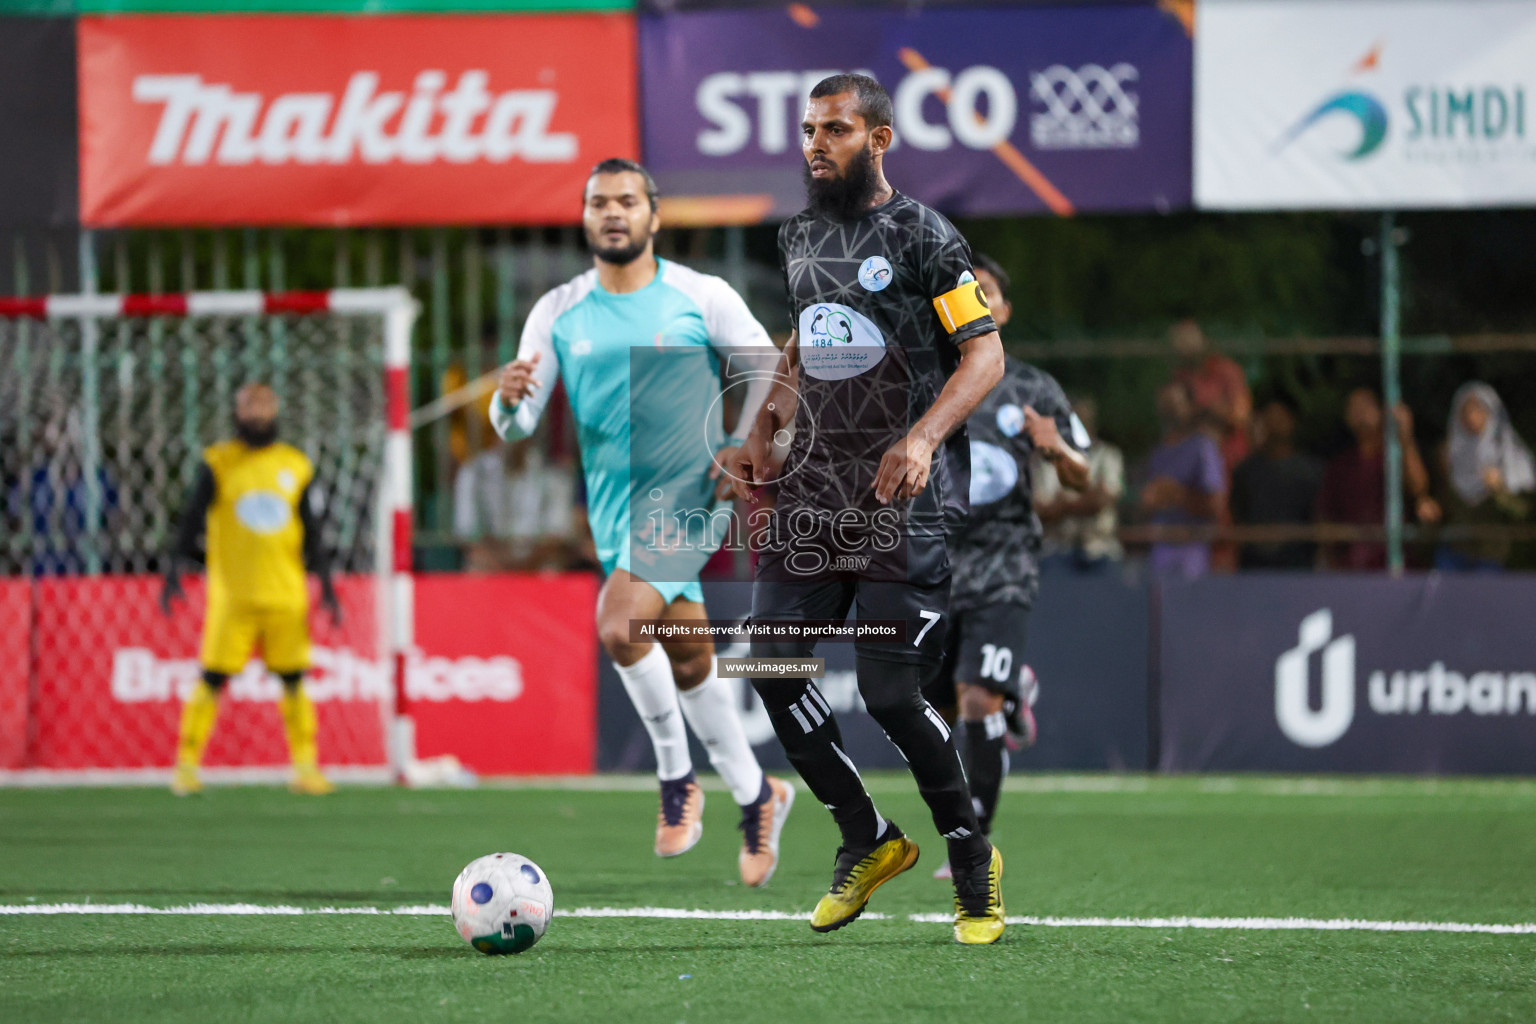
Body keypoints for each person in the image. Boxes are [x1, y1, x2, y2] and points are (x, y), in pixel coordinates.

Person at [729, 74, 1007, 944]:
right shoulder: (799, 234)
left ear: (879, 139)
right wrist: (764, 425)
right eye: (810, 129)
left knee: (890, 692)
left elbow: (985, 356)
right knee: (771, 666)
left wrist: (922, 438)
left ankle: (971, 856)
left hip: (899, 501)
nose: (817, 143)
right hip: (813, 492)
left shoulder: (925, 233)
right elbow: (807, 341)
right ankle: (868, 837)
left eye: (836, 129)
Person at [491, 158, 794, 888]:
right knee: (688, 658)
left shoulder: (699, 293)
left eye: (628, 201)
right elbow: (518, 423)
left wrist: (742, 450)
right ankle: (761, 794)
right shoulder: (558, 310)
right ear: (585, 217)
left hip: (685, 497)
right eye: (600, 203)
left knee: (621, 627)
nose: (614, 212)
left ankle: (675, 781)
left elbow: (768, 367)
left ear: (654, 217)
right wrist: (505, 401)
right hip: (613, 512)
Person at [920, 253, 1090, 881]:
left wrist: (1057, 451)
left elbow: (1083, 474)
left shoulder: (1032, 388)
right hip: (933, 566)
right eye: (963, 293)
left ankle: (973, 840)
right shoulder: (925, 378)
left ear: (1004, 310)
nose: (975, 302)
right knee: (931, 711)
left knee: (973, 701)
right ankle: (1011, 690)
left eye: (985, 292)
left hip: (1004, 565)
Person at [159, 383, 341, 796]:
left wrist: (327, 585)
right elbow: (189, 521)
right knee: (212, 677)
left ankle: (305, 766)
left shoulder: (295, 465)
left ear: (276, 410)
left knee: (294, 679)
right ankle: (185, 766)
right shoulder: (218, 462)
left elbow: (313, 534)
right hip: (233, 596)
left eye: (264, 406)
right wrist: (172, 570)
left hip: (286, 595)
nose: (258, 414)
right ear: (236, 412)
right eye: (249, 407)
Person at [1317, 388, 1438, 571]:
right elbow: (1326, 516)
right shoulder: (1340, 465)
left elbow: (1418, 488)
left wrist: (1405, 437)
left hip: (1395, 560)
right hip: (1353, 566)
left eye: (1366, 405)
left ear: (1380, 411)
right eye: (1354, 407)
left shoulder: (1396, 454)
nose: (1360, 412)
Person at [1435, 382, 1534, 572]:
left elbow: (1523, 513)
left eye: (1478, 409)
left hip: (1491, 554)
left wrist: (1500, 489)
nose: (1471, 416)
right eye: (1466, 410)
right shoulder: (1448, 455)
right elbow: (1443, 507)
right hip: (1454, 550)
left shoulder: (1509, 456)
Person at [452, 435, 579, 571]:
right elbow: (469, 534)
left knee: (553, 569)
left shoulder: (554, 474)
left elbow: (557, 535)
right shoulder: (473, 471)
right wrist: (501, 565)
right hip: (490, 563)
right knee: (476, 567)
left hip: (538, 564)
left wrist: (523, 566)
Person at [1141, 380, 1226, 578]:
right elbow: (1146, 505)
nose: (1170, 412)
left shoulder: (1202, 447)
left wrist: (1176, 494)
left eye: (1175, 404)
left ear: (1190, 408)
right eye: (1165, 405)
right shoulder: (1157, 453)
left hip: (1191, 549)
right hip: (1159, 548)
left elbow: (1215, 505)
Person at [1229, 396, 1324, 570]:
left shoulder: (1311, 471)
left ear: (1292, 422)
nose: (1274, 423)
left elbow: (1318, 516)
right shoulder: (1245, 470)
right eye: (1269, 418)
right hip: (1254, 566)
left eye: (1280, 418)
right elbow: (1238, 514)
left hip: (1298, 565)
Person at [1036, 395, 1125, 571]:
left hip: (1100, 550)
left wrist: (1063, 504)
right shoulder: (1046, 460)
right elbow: (1041, 510)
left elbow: (1102, 500)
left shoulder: (1109, 455)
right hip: (1055, 552)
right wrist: (1086, 497)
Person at [1169, 317, 1252, 473]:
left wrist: (1211, 410)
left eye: (1188, 338)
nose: (1183, 345)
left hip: (1228, 456)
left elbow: (1240, 417)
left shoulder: (1227, 371)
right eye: (1179, 340)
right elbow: (1178, 419)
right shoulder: (1181, 376)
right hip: (1192, 456)